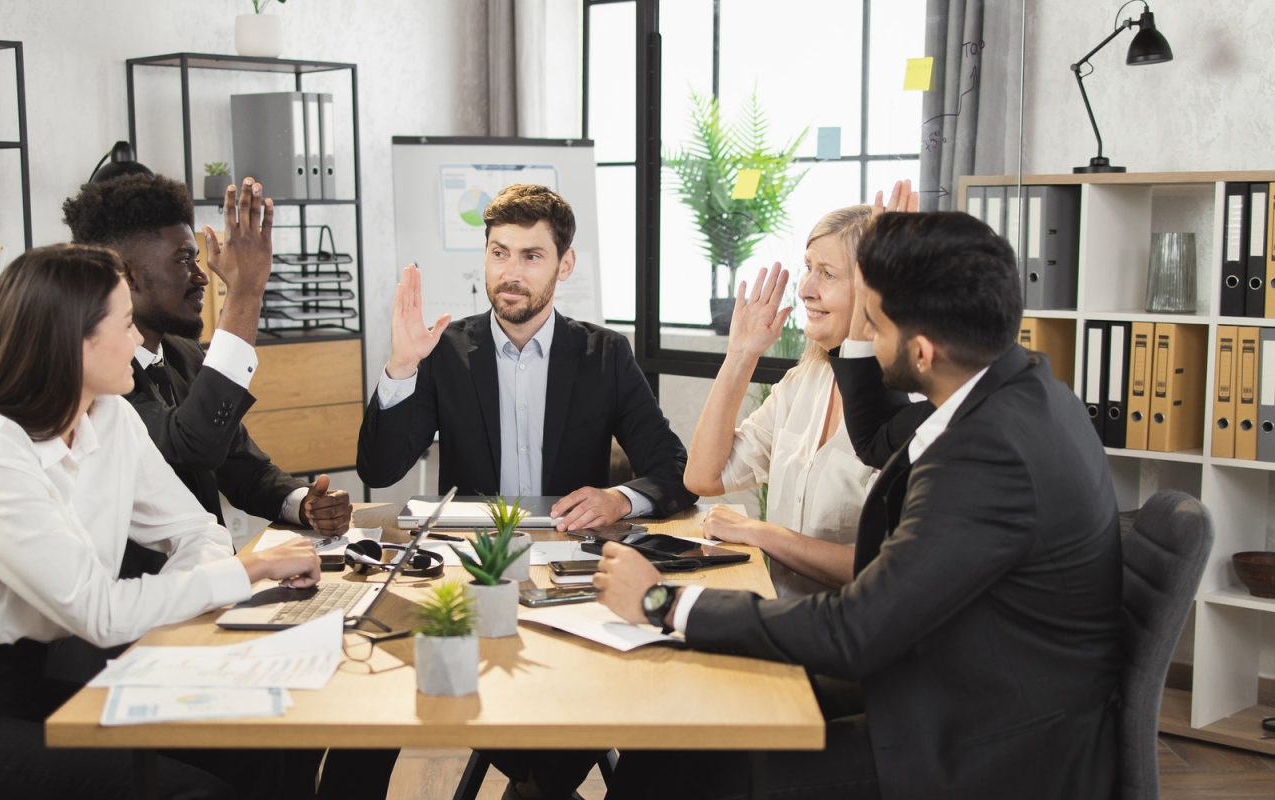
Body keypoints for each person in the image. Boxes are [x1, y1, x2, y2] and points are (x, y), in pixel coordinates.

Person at [594, 209, 1124, 799]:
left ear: (920, 352)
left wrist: (661, 599)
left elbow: (856, 628)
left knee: (703, 769)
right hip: (949, 683)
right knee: (674, 734)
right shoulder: (1019, 391)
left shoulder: (985, 453)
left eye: (873, 323)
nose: (862, 340)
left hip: (984, 746)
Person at [0, 244, 322, 800]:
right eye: (127, 324)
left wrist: (189, 599)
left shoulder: (109, 417)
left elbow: (196, 530)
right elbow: (99, 613)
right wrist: (246, 570)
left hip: (51, 680)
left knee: (267, 744)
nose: (137, 342)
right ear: (72, 342)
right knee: (198, 794)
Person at [357, 183, 696, 531]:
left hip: (572, 546)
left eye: (531, 256)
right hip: (474, 552)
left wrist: (619, 499)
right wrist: (401, 367)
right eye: (499, 253)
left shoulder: (606, 355)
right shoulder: (442, 350)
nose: (511, 274)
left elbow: (675, 468)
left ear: (564, 265)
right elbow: (379, 472)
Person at [62, 173, 352, 538]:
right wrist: (245, 294)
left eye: (198, 258)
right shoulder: (96, 380)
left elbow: (245, 471)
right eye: (184, 260)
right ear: (128, 276)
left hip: (214, 580)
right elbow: (191, 445)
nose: (202, 277)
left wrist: (303, 503)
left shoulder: (185, 355)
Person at [685, 203, 898, 596]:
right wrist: (741, 354)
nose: (805, 289)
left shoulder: (908, 408)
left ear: (876, 289)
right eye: (808, 267)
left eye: (827, 274)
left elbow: (888, 570)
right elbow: (702, 476)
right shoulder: (803, 383)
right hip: (785, 625)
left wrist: (762, 534)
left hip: (855, 640)